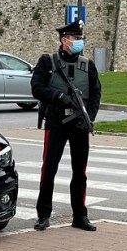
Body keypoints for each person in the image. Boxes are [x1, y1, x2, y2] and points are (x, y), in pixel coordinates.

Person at [30, 19, 102, 232]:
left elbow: (96, 92)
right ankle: (43, 215)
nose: (79, 41)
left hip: (79, 123)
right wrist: (57, 96)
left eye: (80, 38)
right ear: (64, 40)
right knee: (49, 169)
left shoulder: (87, 64)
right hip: (56, 121)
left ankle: (80, 215)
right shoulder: (47, 62)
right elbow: (36, 88)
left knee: (80, 172)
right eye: (75, 38)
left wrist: (89, 116)